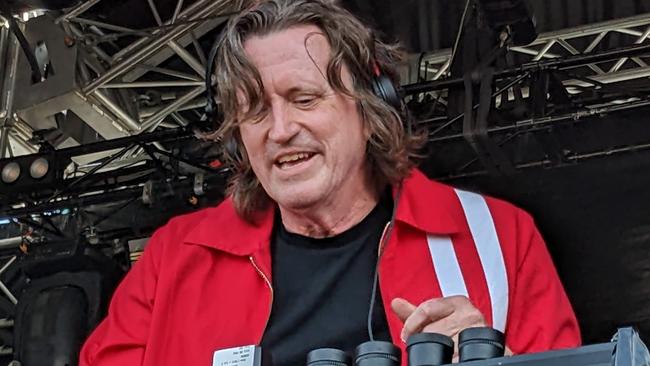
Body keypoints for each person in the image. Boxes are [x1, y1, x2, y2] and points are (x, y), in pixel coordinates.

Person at [79, 1, 581, 365]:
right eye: (254, 109)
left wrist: (499, 361)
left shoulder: (498, 236)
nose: (279, 130)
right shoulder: (173, 257)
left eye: (304, 98)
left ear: (370, 110)